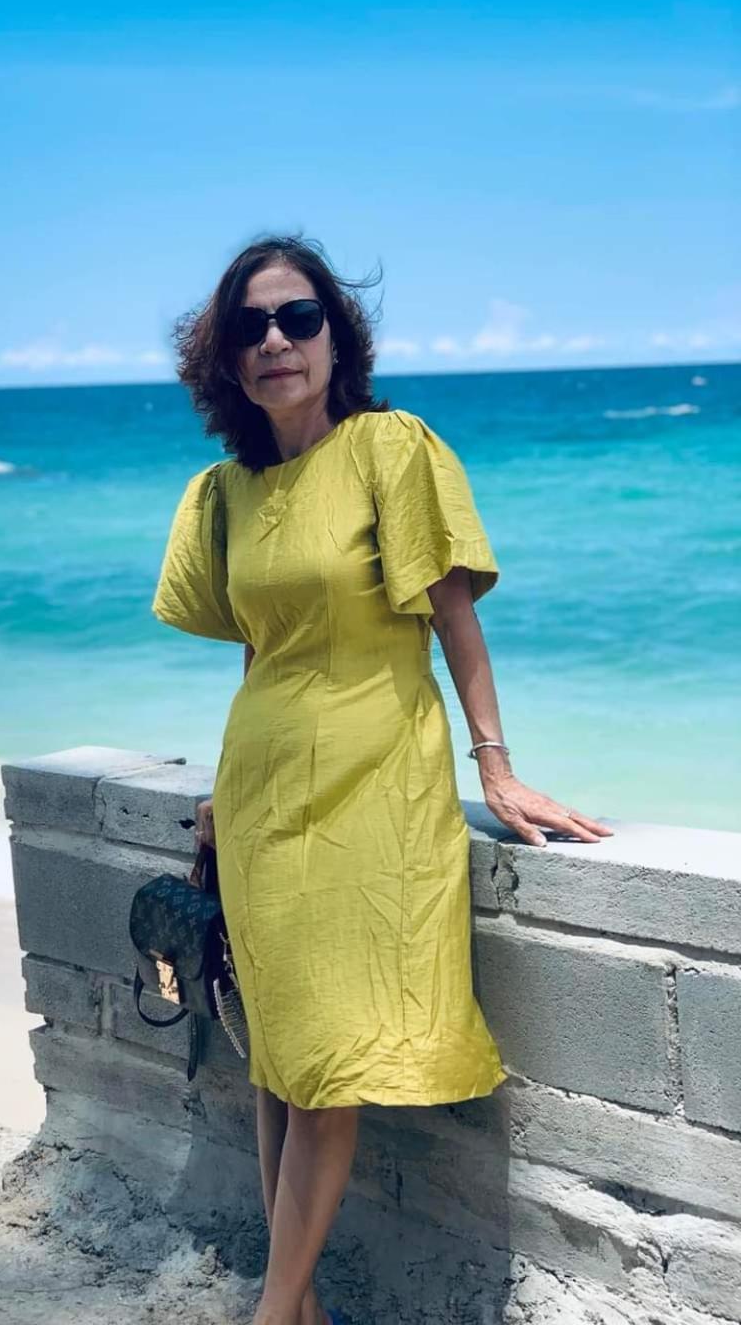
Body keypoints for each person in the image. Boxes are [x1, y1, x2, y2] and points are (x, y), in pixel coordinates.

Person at [151, 234, 612, 1325]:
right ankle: (297, 1306)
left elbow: (452, 617)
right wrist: (224, 793)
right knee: (281, 1054)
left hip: (374, 786)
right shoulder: (221, 495)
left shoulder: (389, 449)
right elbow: (263, 649)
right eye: (251, 326)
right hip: (262, 790)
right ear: (226, 358)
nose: (277, 341)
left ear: (336, 336)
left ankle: (275, 1312)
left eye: (299, 317)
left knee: (333, 1057)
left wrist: (496, 765)